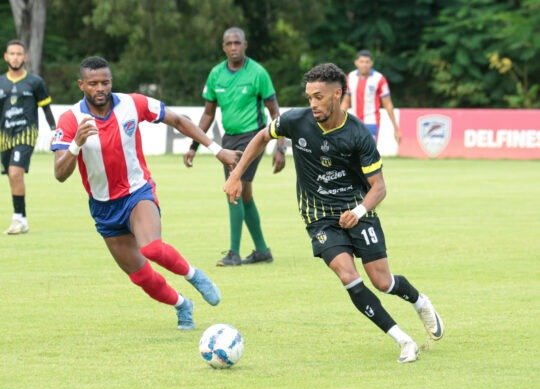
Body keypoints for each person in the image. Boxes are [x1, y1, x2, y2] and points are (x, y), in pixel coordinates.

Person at [224, 63, 444, 363]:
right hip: (319, 217)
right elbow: (263, 136)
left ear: (337, 94)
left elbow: (379, 187)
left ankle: (420, 302)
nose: (312, 104)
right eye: (309, 97)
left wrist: (359, 210)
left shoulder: (358, 134)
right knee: (348, 275)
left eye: (319, 97)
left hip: (358, 211)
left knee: (383, 282)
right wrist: (236, 175)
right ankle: (403, 340)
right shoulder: (296, 120)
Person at [51, 56, 241, 330]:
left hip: (137, 192)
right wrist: (75, 144)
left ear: (111, 81)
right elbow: (59, 173)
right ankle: (182, 305)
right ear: (81, 85)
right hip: (103, 206)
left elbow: (178, 120)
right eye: (93, 84)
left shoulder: (132, 103)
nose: (100, 88)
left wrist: (217, 150)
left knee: (151, 247)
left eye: (105, 82)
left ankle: (194, 276)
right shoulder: (70, 120)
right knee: (140, 276)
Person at [183, 26, 287, 267]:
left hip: (254, 137)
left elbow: (275, 113)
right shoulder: (215, 74)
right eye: (229, 43)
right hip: (229, 140)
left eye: (237, 43)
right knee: (245, 193)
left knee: (235, 188)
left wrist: (280, 147)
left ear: (245, 45)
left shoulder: (258, 73)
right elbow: (208, 114)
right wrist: (193, 146)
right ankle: (262, 250)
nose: (233, 47)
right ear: (223, 47)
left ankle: (234, 253)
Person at [1, 39, 56, 234]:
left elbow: (46, 109)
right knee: (12, 175)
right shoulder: (1, 82)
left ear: (25, 57)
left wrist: (55, 131)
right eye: (12, 54)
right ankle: (22, 218)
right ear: (6, 57)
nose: (15, 57)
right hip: (5, 137)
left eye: (19, 54)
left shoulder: (35, 82)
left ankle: (17, 219)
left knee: (15, 172)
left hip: (26, 134)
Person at [341, 50, 401, 144]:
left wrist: (396, 128)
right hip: (354, 121)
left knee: (368, 150)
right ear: (356, 62)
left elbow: (388, 104)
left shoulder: (379, 78)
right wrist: (338, 121)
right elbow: (345, 102)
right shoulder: (350, 77)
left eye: (367, 62)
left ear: (371, 63)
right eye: (361, 61)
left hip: (372, 122)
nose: (364, 64)